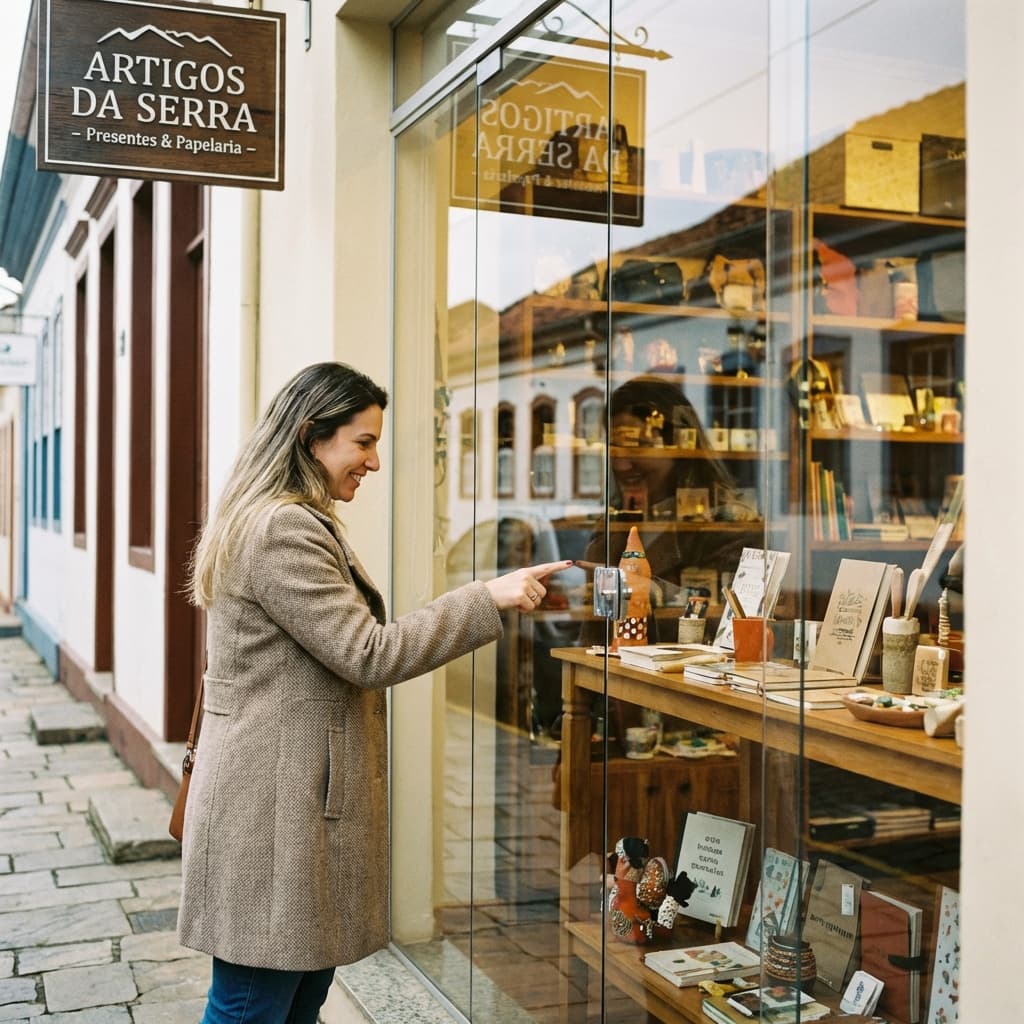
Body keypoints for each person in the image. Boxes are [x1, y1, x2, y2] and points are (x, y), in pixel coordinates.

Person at [177, 361, 571, 1024]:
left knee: (297, 1001)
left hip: (290, 811)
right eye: (363, 442)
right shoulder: (283, 529)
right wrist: (484, 597)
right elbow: (368, 653)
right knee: (252, 1006)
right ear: (311, 437)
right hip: (275, 818)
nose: (375, 461)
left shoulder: (288, 519)